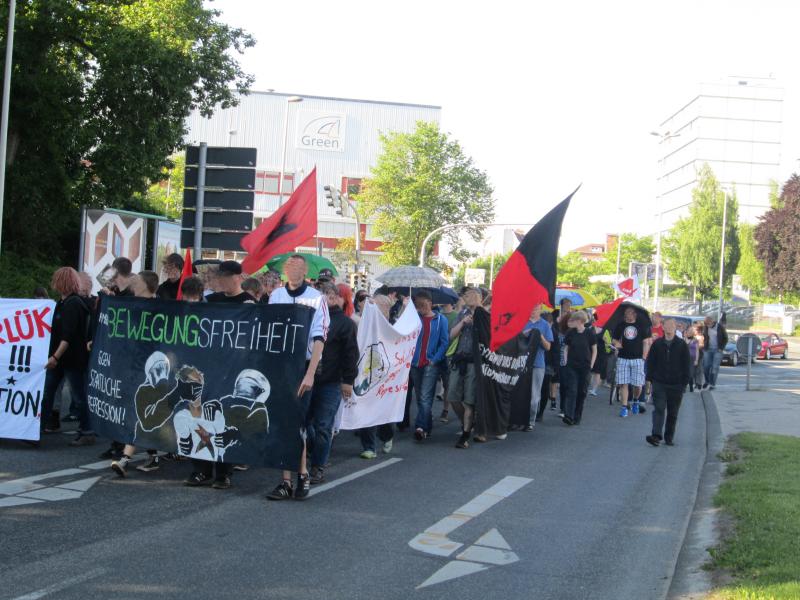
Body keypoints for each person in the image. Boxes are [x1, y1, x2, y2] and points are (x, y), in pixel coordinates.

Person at [183, 261, 252, 489]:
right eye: (219, 276)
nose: (221, 280)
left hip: (232, 370)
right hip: (208, 368)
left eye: (225, 276)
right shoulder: (211, 301)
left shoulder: (249, 303)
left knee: (224, 419)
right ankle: (200, 469)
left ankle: (224, 472)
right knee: (199, 417)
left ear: (237, 277)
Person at [267, 254, 329, 501]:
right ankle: (285, 481)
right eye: (289, 267)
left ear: (304, 271)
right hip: (281, 366)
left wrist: (311, 373)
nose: (293, 271)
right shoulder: (276, 296)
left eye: (298, 267)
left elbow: (319, 337)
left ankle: (301, 474)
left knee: (297, 422)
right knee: (283, 422)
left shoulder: (316, 298)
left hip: (303, 366)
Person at [110, 271, 164, 476]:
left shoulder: (161, 307)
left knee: (137, 410)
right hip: (132, 365)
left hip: (151, 367)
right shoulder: (131, 303)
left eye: (138, 281)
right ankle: (154, 455)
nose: (134, 283)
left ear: (146, 285)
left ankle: (125, 458)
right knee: (137, 410)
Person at [307, 283, 358, 484]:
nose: (327, 297)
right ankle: (312, 451)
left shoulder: (345, 323)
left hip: (330, 381)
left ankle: (318, 465)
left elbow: (350, 354)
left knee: (323, 425)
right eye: (323, 294)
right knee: (303, 422)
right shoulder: (310, 317)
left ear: (337, 298)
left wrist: (348, 381)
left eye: (330, 294)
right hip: (307, 378)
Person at [40, 267, 94, 445]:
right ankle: (37, 428)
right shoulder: (63, 303)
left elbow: (67, 336)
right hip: (62, 358)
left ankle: (87, 431)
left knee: (78, 396)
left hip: (70, 359)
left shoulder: (73, 304)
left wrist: (55, 357)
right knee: (47, 393)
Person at [358, 294, 396, 458]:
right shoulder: (365, 324)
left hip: (385, 374)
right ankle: (369, 447)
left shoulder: (393, 328)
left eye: (382, 307)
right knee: (365, 408)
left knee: (382, 411)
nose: (378, 309)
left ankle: (387, 435)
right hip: (367, 373)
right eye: (375, 306)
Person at [409, 290, 449, 441]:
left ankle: (421, 427)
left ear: (430, 303)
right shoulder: (414, 319)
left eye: (424, 304)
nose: (421, 307)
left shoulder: (441, 320)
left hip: (430, 364)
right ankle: (427, 425)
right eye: (418, 304)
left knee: (425, 397)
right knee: (420, 397)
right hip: (415, 363)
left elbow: (444, 342)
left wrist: (435, 359)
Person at [645, 318, 691, 446]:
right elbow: (651, 362)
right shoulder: (657, 344)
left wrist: (684, 383)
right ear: (663, 327)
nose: (670, 327)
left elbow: (687, 365)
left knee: (673, 412)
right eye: (667, 325)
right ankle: (656, 435)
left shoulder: (681, 345)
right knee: (659, 408)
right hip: (659, 382)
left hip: (676, 384)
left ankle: (669, 437)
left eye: (672, 325)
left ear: (675, 328)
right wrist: (649, 379)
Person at [448, 287, 482, 448]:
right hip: (459, 358)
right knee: (452, 396)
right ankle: (467, 422)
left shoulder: (485, 315)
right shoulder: (462, 313)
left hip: (476, 362)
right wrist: (463, 322)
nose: (465, 298)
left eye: (468, 295)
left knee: (469, 400)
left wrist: (476, 324)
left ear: (477, 296)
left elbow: (490, 337)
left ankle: (465, 434)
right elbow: (451, 335)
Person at [611, 306, 651, 418]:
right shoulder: (621, 326)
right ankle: (624, 407)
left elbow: (646, 342)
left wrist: (644, 356)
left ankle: (636, 400)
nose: (626, 314)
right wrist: (616, 343)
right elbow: (614, 339)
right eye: (625, 312)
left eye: (629, 312)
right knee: (624, 383)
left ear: (634, 314)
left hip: (638, 358)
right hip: (623, 357)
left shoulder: (641, 326)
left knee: (638, 385)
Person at [561, 310, 597, 426]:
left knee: (582, 392)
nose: (572, 322)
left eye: (575, 320)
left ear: (580, 321)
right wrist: (566, 360)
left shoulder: (590, 333)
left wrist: (591, 364)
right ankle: (569, 415)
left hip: (585, 366)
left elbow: (594, 350)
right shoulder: (571, 333)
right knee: (572, 390)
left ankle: (577, 416)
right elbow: (566, 348)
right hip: (572, 366)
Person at [521, 303, 553, 431]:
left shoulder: (545, 325)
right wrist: (524, 334)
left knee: (534, 396)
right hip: (522, 362)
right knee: (521, 393)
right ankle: (519, 419)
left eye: (536, 308)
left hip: (538, 364)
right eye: (531, 308)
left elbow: (548, 347)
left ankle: (530, 421)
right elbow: (515, 339)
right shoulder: (522, 322)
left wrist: (540, 336)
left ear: (540, 310)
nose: (533, 311)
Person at [700, 315, 728, 390]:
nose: (708, 325)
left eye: (709, 324)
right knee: (706, 366)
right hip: (708, 349)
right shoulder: (706, 327)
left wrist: (721, 348)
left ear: (712, 322)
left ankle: (712, 384)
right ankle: (707, 381)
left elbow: (725, 338)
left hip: (717, 350)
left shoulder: (720, 327)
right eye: (706, 324)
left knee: (714, 367)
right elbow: (705, 337)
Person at [685, 326, 702, 392]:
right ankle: (684, 386)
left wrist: (696, 360)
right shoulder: (684, 339)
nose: (689, 333)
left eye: (690, 332)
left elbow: (697, 350)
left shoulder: (695, 341)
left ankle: (691, 385)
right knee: (685, 372)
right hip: (685, 359)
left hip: (692, 359)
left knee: (691, 373)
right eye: (688, 332)